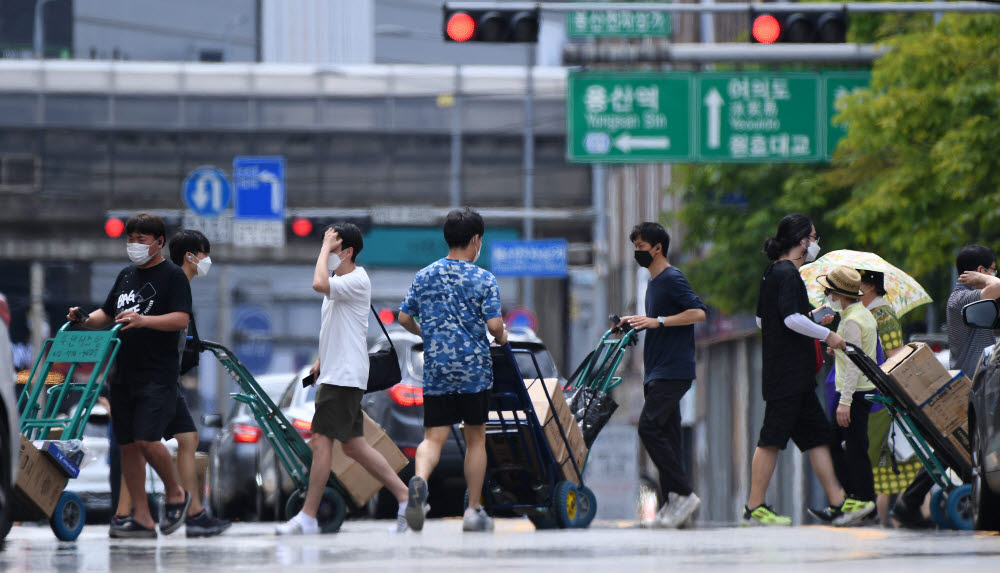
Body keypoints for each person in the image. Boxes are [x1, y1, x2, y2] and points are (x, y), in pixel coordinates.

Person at [277, 223, 411, 535]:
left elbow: (317, 284)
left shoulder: (355, 279)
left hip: (343, 377)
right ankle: (405, 497)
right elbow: (342, 326)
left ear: (347, 252)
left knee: (322, 443)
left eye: (334, 248)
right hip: (337, 373)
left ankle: (308, 516)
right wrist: (321, 360)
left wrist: (324, 250)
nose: (327, 254)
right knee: (353, 446)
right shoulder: (341, 279)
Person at [68, 213, 192, 538]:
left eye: (141, 239)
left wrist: (145, 321)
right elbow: (106, 315)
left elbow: (181, 319)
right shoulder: (125, 276)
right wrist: (83, 318)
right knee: (128, 447)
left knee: (147, 440)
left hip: (157, 375)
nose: (134, 245)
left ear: (159, 242)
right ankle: (142, 516)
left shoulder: (173, 277)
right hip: (123, 375)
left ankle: (176, 493)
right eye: (131, 238)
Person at [746, 213, 874, 527]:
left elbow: (765, 321)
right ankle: (754, 508)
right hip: (787, 375)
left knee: (817, 438)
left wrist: (813, 319)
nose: (816, 243)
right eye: (814, 237)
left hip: (795, 376)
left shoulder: (772, 273)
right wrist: (828, 334)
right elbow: (789, 320)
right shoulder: (788, 274)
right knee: (771, 439)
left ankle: (838, 503)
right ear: (802, 241)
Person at [397, 208, 507, 533]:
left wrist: (425, 334)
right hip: (474, 370)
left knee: (433, 438)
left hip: (437, 370)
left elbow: (403, 318)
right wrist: (501, 335)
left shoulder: (424, 275)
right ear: (476, 240)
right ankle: (473, 511)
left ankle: (419, 482)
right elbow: (495, 325)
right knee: (475, 439)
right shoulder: (484, 278)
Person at [891, 244, 998, 526]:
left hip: (979, 378)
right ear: (980, 271)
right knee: (957, 445)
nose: (994, 273)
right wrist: (987, 280)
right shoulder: (960, 298)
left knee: (951, 447)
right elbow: (997, 288)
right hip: (973, 381)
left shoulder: (969, 295)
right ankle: (909, 502)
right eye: (992, 268)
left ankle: (909, 502)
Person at [617, 222, 707, 529]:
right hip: (656, 369)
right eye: (635, 246)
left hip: (673, 369)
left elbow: (698, 312)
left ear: (658, 248)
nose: (637, 252)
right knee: (668, 435)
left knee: (649, 427)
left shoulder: (671, 277)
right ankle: (672, 505)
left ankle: (683, 493)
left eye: (641, 246)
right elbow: (654, 321)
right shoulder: (653, 283)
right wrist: (634, 322)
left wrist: (660, 321)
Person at [807, 266, 878, 523]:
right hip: (860, 391)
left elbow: (853, 365)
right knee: (851, 446)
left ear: (838, 294)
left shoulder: (850, 321)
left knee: (849, 447)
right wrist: (835, 350)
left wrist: (844, 402)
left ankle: (859, 500)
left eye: (828, 291)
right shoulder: (861, 314)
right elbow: (856, 353)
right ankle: (860, 501)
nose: (827, 295)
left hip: (854, 393)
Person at [858, 270, 922, 527]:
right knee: (880, 467)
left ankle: (884, 523)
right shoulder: (871, 314)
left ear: (871, 286)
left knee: (882, 465)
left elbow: (894, 356)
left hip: (881, 400)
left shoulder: (882, 315)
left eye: (858, 282)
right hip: (875, 398)